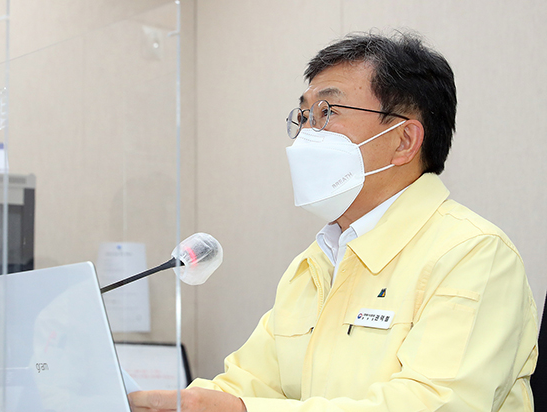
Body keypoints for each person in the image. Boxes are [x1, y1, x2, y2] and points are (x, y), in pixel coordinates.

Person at [129, 31, 538, 412]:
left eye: (327, 112)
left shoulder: (473, 254)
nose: (306, 132)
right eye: (304, 115)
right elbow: (248, 385)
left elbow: (434, 403)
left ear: (404, 141)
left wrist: (242, 410)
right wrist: (165, 402)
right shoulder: (316, 262)